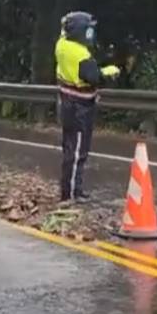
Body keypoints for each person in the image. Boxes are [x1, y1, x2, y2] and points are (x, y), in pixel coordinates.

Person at [54, 11, 121, 202]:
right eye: (88, 30)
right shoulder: (80, 54)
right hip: (80, 108)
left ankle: (71, 189)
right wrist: (109, 72)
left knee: (70, 149)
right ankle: (71, 194)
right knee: (77, 152)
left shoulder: (61, 44)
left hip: (67, 102)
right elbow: (93, 77)